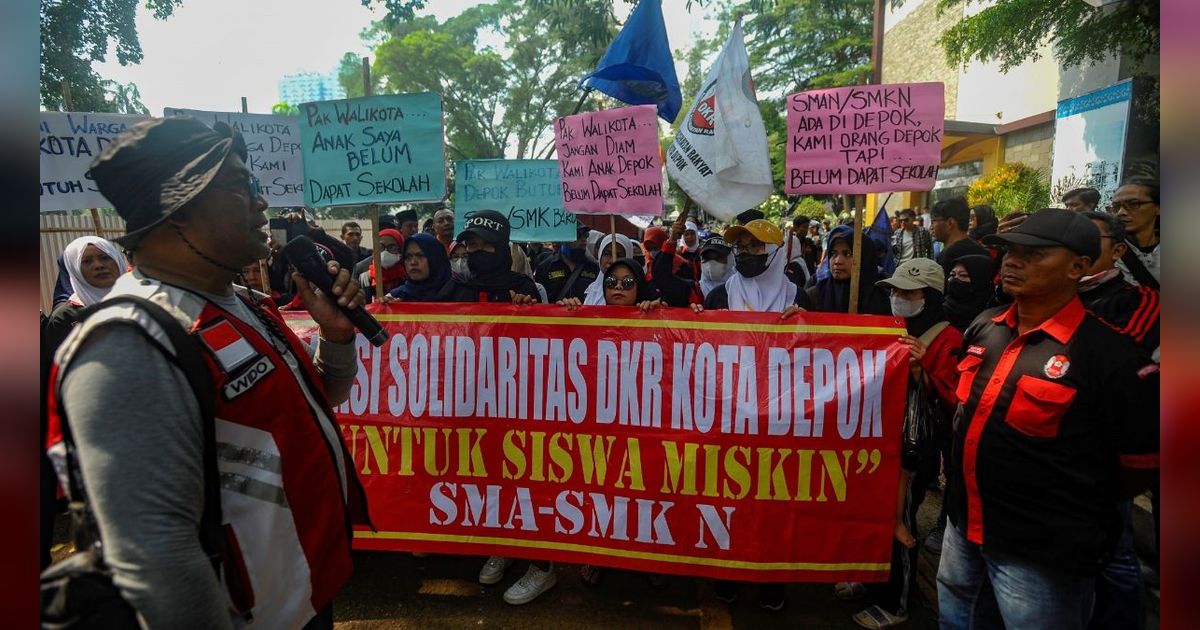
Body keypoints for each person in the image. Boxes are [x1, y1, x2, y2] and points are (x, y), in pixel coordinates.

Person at [46, 116, 369, 628]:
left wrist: (337, 337)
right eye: (242, 188)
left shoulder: (248, 305)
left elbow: (319, 402)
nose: (262, 203)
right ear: (178, 210)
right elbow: (156, 557)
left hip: (298, 596)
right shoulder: (130, 341)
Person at [937, 208, 1159, 629]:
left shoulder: (1111, 358)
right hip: (963, 529)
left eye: (1034, 254)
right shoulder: (984, 328)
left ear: (1079, 266)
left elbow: (1137, 469)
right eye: (1011, 251)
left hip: (1041, 554)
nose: (1013, 261)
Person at [838, 258, 963, 629]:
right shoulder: (889, 327)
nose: (897, 298)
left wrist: (920, 371)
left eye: (907, 292)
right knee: (867, 512)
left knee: (899, 521)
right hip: (873, 438)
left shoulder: (947, 338)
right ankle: (867, 573)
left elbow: (954, 400)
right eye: (894, 291)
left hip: (910, 449)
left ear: (931, 296)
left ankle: (896, 601)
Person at [1075, 211, 1159, 630]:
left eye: (1089, 238)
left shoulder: (1140, 302)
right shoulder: (1052, 296)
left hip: (1102, 454)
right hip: (1049, 456)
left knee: (1115, 556)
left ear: (1118, 250)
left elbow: (1124, 355)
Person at [43, 236, 127, 354]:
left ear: (118, 260)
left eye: (105, 258)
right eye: (87, 261)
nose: (98, 265)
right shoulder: (66, 317)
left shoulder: (143, 301)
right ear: (74, 269)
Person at [444, 209, 539, 304]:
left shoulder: (522, 287)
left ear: (502, 249)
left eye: (487, 244)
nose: (479, 250)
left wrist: (525, 308)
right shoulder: (456, 286)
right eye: (473, 244)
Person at [806, 225, 891, 315]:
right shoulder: (815, 296)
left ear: (865, 258)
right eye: (833, 253)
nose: (837, 261)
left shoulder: (880, 299)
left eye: (847, 254)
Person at [1111, 178, 1159, 290]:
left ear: (1158, 208)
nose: (1120, 212)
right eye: (1116, 207)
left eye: (1133, 204)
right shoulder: (1107, 251)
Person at [536, 224, 599, 303]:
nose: (583, 239)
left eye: (586, 235)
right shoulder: (545, 267)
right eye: (578, 235)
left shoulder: (594, 267)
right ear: (564, 239)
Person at [930, 197, 989, 279]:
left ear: (950, 223)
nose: (931, 227)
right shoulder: (982, 250)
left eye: (933, 221)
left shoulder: (948, 255)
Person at [384, 232, 453, 303]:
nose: (413, 262)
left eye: (420, 256)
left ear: (435, 259)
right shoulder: (396, 296)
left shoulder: (457, 293)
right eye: (408, 257)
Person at [943, 255, 997, 332]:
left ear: (981, 280)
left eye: (963, 275)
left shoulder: (995, 318)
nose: (955, 280)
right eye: (952, 275)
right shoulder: (939, 312)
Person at [582, 233, 635, 305]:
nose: (612, 261)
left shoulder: (637, 293)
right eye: (607, 254)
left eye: (619, 255)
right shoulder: (591, 290)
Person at [354, 228, 406, 298]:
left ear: (400, 250)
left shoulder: (407, 273)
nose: (385, 252)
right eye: (380, 247)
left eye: (392, 247)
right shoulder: (362, 270)